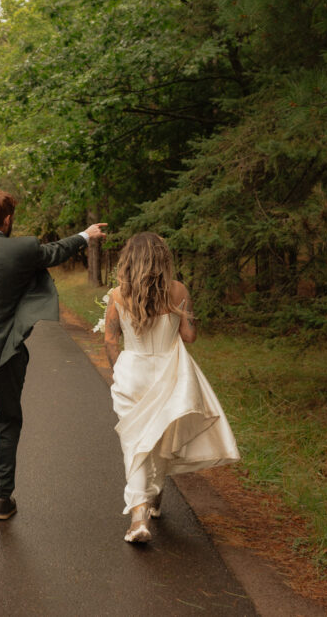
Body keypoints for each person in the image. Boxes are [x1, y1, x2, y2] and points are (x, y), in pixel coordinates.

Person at [0, 189, 107, 534]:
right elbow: (56, 252)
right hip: (10, 352)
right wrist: (85, 236)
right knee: (8, 423)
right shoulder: (24, 249)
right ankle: (1, 499)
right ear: (8, 220)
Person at [103, 232, 240, 543]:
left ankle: (140, 515)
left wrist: (119, 372)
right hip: (168, 372)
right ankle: (150, 501)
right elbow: (189, 336)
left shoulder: (118, 295)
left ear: (130, 260)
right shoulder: (178, 290)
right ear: (163, 259)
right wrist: (185, 317)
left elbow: (111, 340)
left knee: (137, 442)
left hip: (133, 372)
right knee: (162, 433)